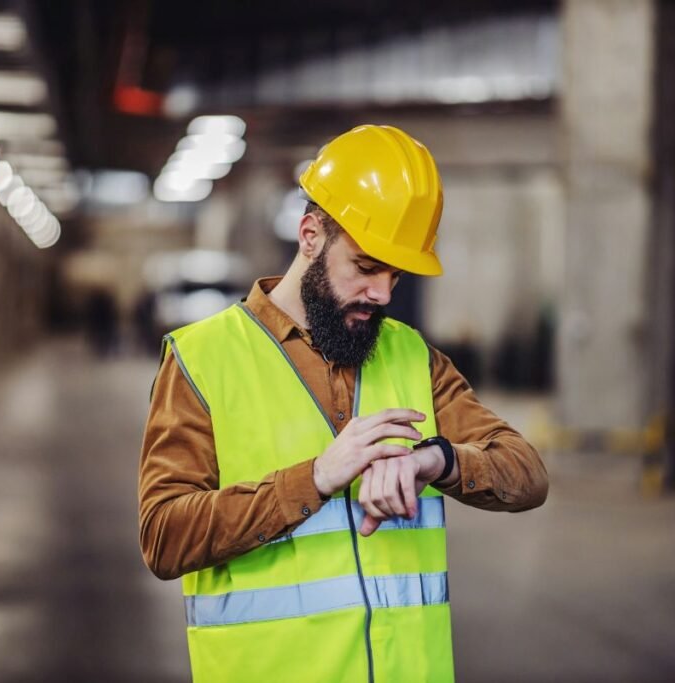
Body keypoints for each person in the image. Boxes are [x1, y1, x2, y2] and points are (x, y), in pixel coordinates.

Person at [138, 124, 548, 682]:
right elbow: (164, 536)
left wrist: (435, 460)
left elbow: (526, 475)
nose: (382, 293)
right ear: (310, 235)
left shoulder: (409, 355)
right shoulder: (202, 359)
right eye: (365, 266)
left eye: (395, 274)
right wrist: (318, 476)